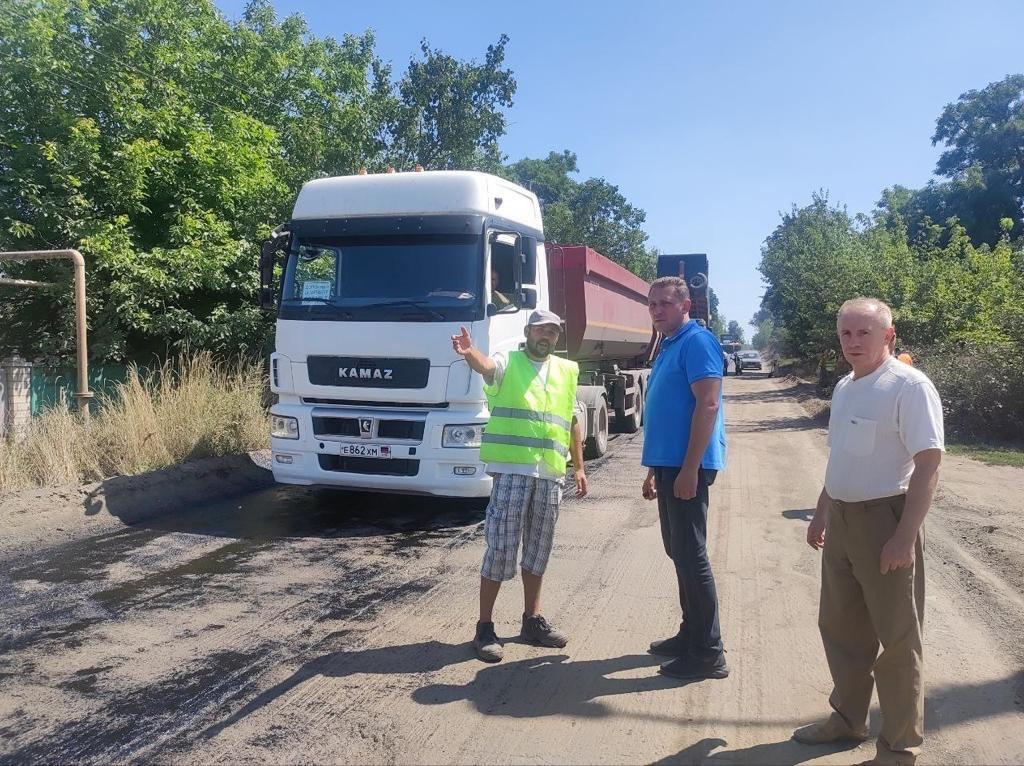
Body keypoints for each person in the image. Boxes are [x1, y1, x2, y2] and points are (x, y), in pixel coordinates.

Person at [794, 298, 943, 766]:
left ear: (888, 336)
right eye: (846, 334)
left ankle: (900, 747)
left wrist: (903, 536)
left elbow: (928, 465)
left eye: (865, 333)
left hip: (886, 521)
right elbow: (840, 455)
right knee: (840, 627)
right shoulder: (844, 387)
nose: (854, 342)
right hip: (841, 518)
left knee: (898, 639)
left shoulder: (908, 387)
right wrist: (822, 511)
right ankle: (847, 719)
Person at [451, 309, 588, 663]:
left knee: (538, 549)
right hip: (512, 472)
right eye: (542, 330)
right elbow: (486, 368)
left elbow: (571, 420)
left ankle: (532, 621)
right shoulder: (508, 362)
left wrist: (579, 468)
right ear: (528, 331)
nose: (547, 337)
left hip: (550, 474)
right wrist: (470, 354)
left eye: (553, 333)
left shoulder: (565, 370)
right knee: (501, 549)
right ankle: (484, 627)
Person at [640, 276, 729, 681]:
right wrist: (653, 470)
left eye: (664, 304)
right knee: (677, 549)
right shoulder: (671, 343)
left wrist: (690, 468)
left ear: (685, 305)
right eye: (652, 304)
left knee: (691, 555)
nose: (657, 310)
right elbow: (668, 409)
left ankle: (709, 652)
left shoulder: (697, 341)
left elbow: (707, 404)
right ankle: (690, 632)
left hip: (686, 464)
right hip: (668, 463)